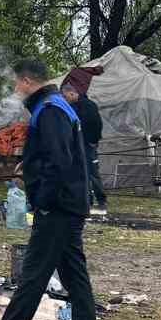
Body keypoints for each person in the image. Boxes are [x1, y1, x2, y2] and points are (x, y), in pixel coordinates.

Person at [0, 58, 100, 320]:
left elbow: (59, 161)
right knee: (73, 273)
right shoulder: (56, 105)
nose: (16, 87)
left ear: (28, 81)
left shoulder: (50, 109)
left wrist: (42, 200)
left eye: (18, 82)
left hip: (58, 205)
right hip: (69, 202)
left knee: (34, 271)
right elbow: (55, 155)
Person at [60, 70, 108, 213]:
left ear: (72, 93)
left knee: (92, 172)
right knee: (80, 173)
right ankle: (86, 199)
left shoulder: (88, 105)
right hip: (76, 145)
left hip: (87, 145)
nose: (64, 99)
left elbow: (96, 124)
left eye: (65, 96)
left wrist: (93, 141)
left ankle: (101, 200)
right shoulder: (71, 107)